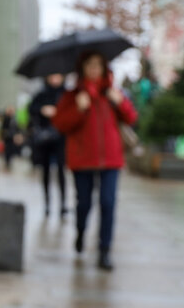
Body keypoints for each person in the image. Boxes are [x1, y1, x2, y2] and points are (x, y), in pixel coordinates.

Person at [52, 51, 137, 271]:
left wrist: (121, 103)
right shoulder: (73, 96)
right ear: (82, 69)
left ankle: (105, 250)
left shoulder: (111, 94)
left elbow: (131, 118)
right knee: (84, 204)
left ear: (104, 68)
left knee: (108, 203)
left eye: (98, 65)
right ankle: (80, 232)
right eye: (90, 65)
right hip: (83, 158)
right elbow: (61, 124)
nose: (94, 69)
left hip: (111, 159)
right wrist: (79, 108)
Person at [29, 74, 67, 218]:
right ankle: (47, 204)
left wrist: (58, 112)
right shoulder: (41, 94)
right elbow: (31, 109)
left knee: (61, 171)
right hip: (45, 139)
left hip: (61, 138)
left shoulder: (65, 94)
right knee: (45, 172)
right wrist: (42, 110)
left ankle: (63, 204)